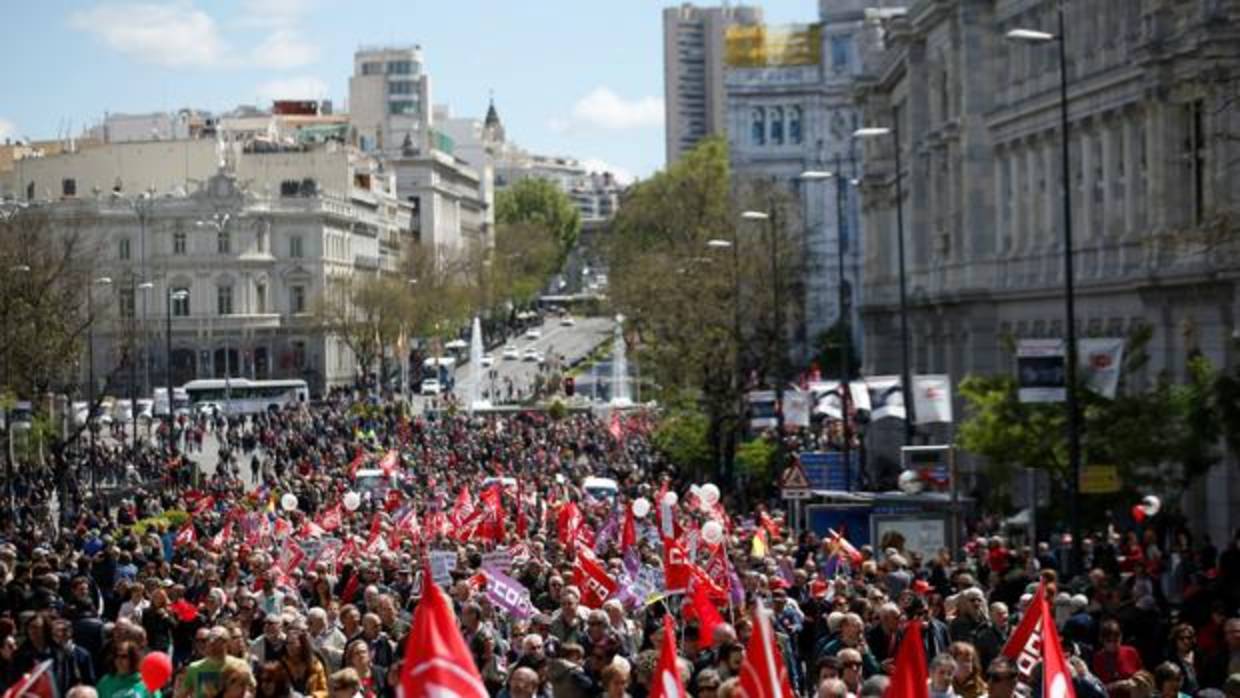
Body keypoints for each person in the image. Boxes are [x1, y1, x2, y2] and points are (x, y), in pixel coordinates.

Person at [1093, 620, 1144, 689]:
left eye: (1116, 640)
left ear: (1121, 637)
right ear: (1102, 640)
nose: (1112, 644)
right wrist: (1118, 684)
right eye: (1109, 641)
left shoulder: (1131, 651)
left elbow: (1142, 674)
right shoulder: (1098, 658)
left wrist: (1135, 680)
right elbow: (1099, 687)